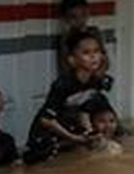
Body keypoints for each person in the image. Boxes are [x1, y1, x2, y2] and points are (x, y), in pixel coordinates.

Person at [25, 27, 116, 164]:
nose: (93, 57)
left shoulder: (98, 81)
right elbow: (46, 120)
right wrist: (74, 138)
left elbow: (85, 110)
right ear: (72, 60)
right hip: (46, 138)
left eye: (96, 52)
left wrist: (89, 133)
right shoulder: (62, 85)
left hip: (72, 134)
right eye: (86, 53)